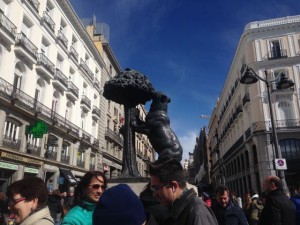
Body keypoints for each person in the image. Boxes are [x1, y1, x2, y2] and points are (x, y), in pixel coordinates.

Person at [148, 158, 218, 225]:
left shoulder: (197, 212)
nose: (154, 194)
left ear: (173, 186)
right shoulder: (176, 209)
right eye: (152, 189)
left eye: (156, 188)